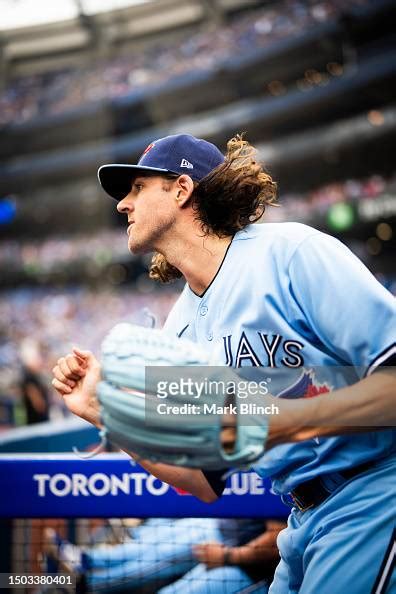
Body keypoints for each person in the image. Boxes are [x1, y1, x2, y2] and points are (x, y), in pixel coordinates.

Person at [52, 133, 396, 594]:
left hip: (374, 492)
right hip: (301, 519)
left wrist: (287, 420)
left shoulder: (289, 252)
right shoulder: (177, 329)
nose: (122, 205)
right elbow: (203, 477)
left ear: (181, 189)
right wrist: (102, 409)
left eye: (137, 188)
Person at [42, 517, 285, 593]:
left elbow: (277, 539)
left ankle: (84, 583)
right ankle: (85, 563)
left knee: (162, 575)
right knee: (146, 549)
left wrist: (228, 556)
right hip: (223, 531)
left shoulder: (294, 467)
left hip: (248, 569)